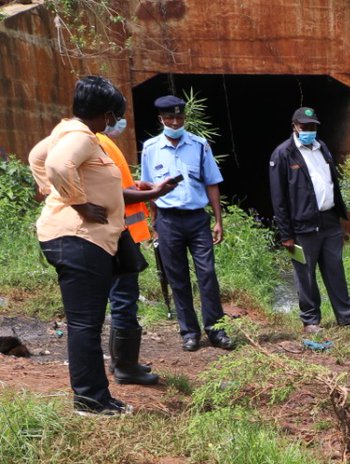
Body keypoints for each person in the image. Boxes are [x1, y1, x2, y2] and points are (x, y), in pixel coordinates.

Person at [28, 76, 176, 416]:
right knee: (85, 324)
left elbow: (38, 157)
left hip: (80, 240)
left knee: (88, 322)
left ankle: (96, 396)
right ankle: (90, 400)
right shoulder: (80, 136)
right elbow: (54, 164)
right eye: (115, 116)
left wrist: (51, 192)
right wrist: (77, 203)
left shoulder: (67, 131)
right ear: (108, 114)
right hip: (78, 239)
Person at [141, 94, 234, 351]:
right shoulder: (150, 148)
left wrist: (218, 220)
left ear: (184, 118)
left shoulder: (199, 145)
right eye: (169, 117)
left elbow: (212, 182)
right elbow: (148, 189)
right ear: (161, 119)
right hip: (168, 221)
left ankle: (216, 329)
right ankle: (189, 332)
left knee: (207, 274)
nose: (174, 122)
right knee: (177, 277)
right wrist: (154, 223)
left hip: (197, 220)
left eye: (179, 117)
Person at [268, 106, 350, 333]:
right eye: (304, 127)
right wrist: (286, 234)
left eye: (312, 127)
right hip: (302, 224)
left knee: (335, 270)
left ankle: (347, 318)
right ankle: (311, 321)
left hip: (329, 220)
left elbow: (330, 182)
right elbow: (279, 198)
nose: (309, 131)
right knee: (306, 275)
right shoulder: (283, 154)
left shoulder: (322, 148)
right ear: (294, 126)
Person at [97, 120, 159, 385]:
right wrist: (153, 193)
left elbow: (115, 185)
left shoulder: (102, 143)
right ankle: (125, 367)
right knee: (123, 298)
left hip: (122, 232)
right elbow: (109, 193)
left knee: (123, 297)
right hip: (118, 234)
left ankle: (122, 362)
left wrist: (133, 186)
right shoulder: (98, 142)